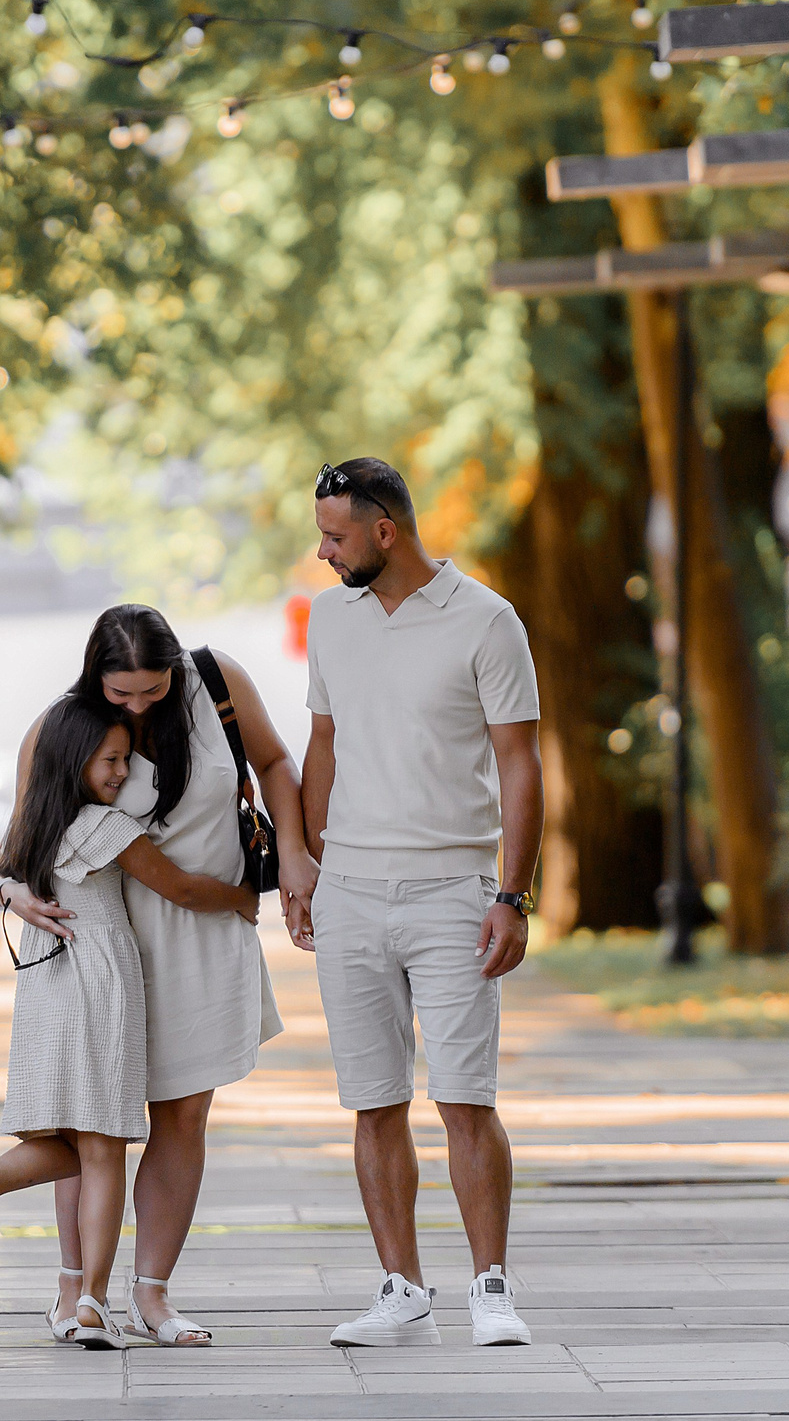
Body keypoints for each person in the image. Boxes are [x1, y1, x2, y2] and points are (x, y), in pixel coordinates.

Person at [283, 457, 543, 1349]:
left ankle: (491, 1287)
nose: (322, 551)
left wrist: (513, 892)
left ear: (384, 532)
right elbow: (322, 740)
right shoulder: (330, 619)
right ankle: (401, 1286)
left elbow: (520, 762)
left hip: (453, 890)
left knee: (465, 1097)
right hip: (351, 889)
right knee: (373, 1098)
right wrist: (310, 862)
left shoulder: (487, 620)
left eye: (336, 535)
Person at [0, 606, 304, 1345]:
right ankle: (77, 1290)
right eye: (122, 694)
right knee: (89, 1119)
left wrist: (293, 853)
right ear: (94, 677)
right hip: (99, 945)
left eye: (151, 689)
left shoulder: (216, 681)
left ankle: (153, 1295)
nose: (138, 706)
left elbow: (274, 763)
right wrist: (10, 890)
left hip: (199, 937)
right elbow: (20, 840)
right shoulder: (61, 726)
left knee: (183, 1116)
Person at [0, 699, 259, 1350]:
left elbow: (3, 874)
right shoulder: (104, 826)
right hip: (100, 983)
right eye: (110, 760)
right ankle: (90, 1303)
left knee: (76, 1141)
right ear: (75, 764)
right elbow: (177, 886)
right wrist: (243, 897)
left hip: (49, 989)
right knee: (105, 1144)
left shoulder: (36, 827)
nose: (121, 771)